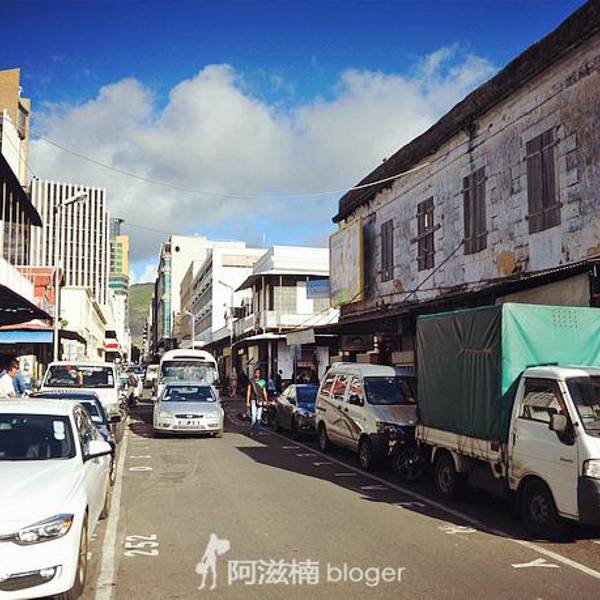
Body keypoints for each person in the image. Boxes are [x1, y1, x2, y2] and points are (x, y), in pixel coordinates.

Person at [246, 368, 268, 437]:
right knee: (253, 416)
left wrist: (266, 400)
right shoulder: (251, 381)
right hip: (253, 400)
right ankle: (252, 431)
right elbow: (248, 391)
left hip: (260, 400)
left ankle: (257, 431)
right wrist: (247, 401)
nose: (257, 374)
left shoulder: (262, 381)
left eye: (258, 373)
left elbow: (264, 391)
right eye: (256, 373)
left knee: (258, 417)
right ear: (254, 373)